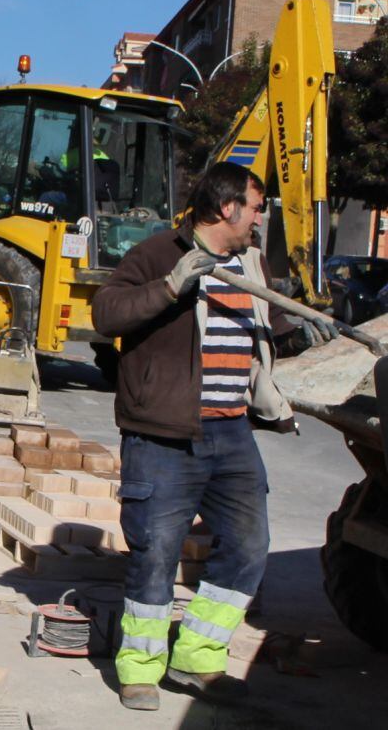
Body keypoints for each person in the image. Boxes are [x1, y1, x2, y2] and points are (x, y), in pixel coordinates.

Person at [91, 162, 336, 711]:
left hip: (231, 433)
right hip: (164, 436)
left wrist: (310, 338)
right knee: (155, 553)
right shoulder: (156, 254)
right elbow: (107, 314)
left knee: (249, 548)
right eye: (255, 206)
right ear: (227, 208)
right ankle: (140, 668)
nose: (259, 218)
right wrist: (174, 283)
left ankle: (198, 660)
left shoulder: (251, 263)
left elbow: (271, 337)